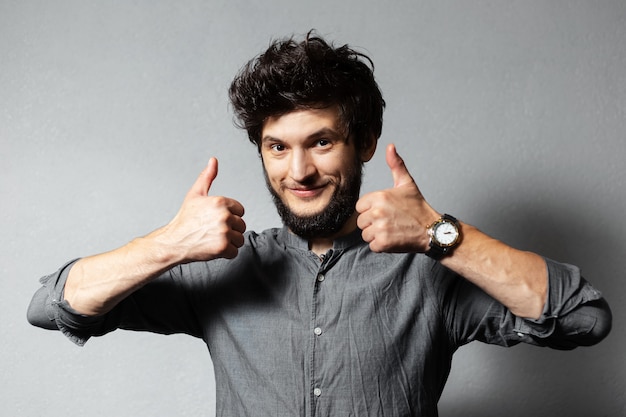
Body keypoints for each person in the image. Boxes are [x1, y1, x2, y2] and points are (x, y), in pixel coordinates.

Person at [28, 32, 611, 416]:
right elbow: (52, 306)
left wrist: (440, 232)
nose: (298, 170)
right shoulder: (226, 270)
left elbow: (583, 318)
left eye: (321, 142)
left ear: (364, 143)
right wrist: (168, 244)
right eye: (276, 147)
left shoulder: (427, 270)